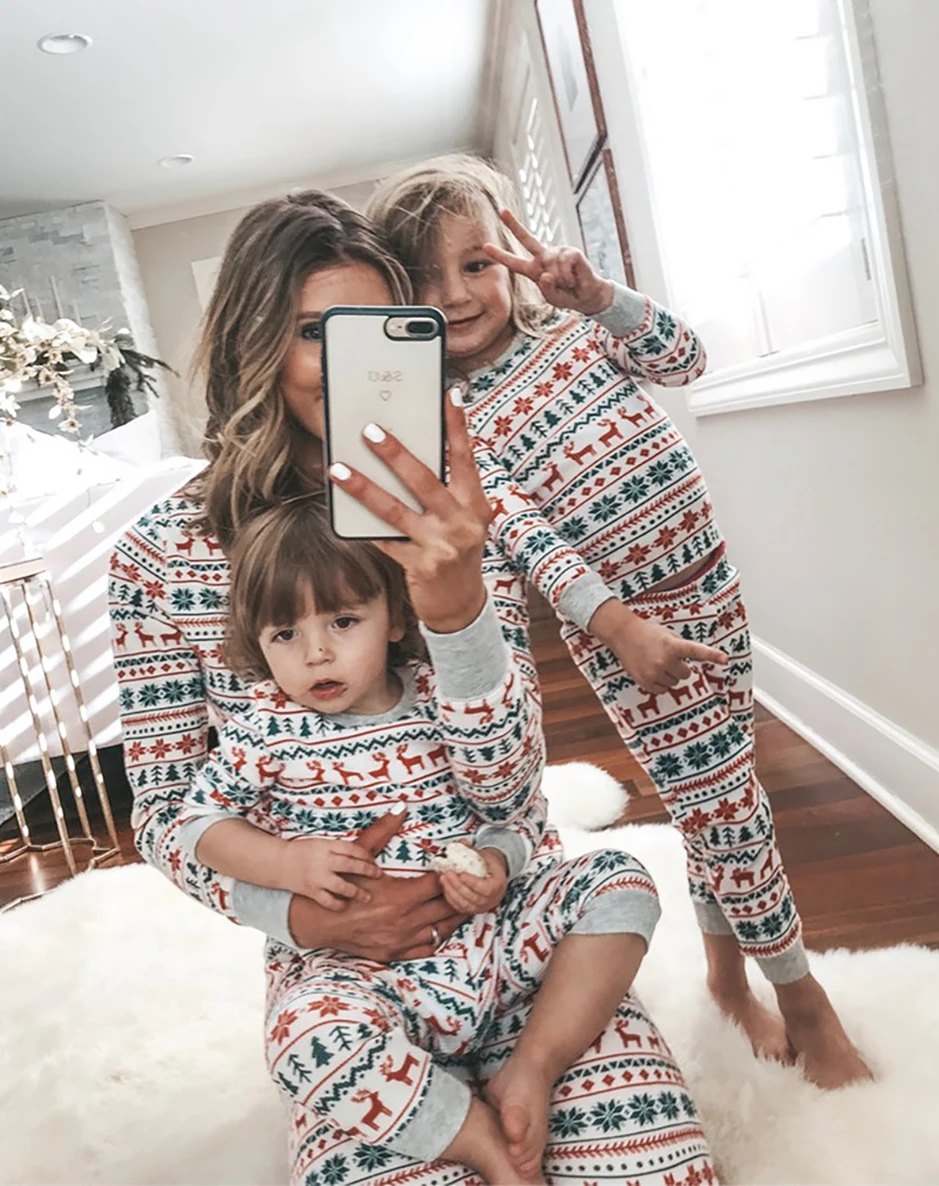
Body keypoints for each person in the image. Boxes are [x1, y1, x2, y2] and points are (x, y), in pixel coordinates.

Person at [108, 190, 717, 1185]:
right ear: (254, 343)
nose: (349, 361)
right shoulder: (158, 557)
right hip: (345, 982)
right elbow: (167, 813)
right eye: (316, 332)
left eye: (376, 330)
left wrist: (456, 607)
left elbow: (511, 791)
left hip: (518, 938)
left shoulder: (461, 508)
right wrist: (305, 919)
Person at [368, 154, 871, 1089]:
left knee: (716, 800)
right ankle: (805, 999)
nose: (458, 294)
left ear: (513, 254)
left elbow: (687, 359)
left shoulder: (574, 330)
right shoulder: (448, 413)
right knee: (729, 809)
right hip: (630, 626)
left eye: (476, 264)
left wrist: (603, 298)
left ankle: (726, 977)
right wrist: (618, 627)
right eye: (427, 281)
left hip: (711, 588)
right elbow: (524, 536)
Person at [178, 489, 667, 1184]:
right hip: (364, 974)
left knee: (620, 880)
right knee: (301, 1037)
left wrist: (497, 863)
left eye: (343, 621)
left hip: (494, 943)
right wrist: (285, 863)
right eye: (284, 635)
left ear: (395, 618)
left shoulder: (443, 696)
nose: (316, 653)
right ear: (254, 642)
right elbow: (199, 825)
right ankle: (474, 1138)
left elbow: (514, 816)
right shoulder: (264, 727)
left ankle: (532, 1065)